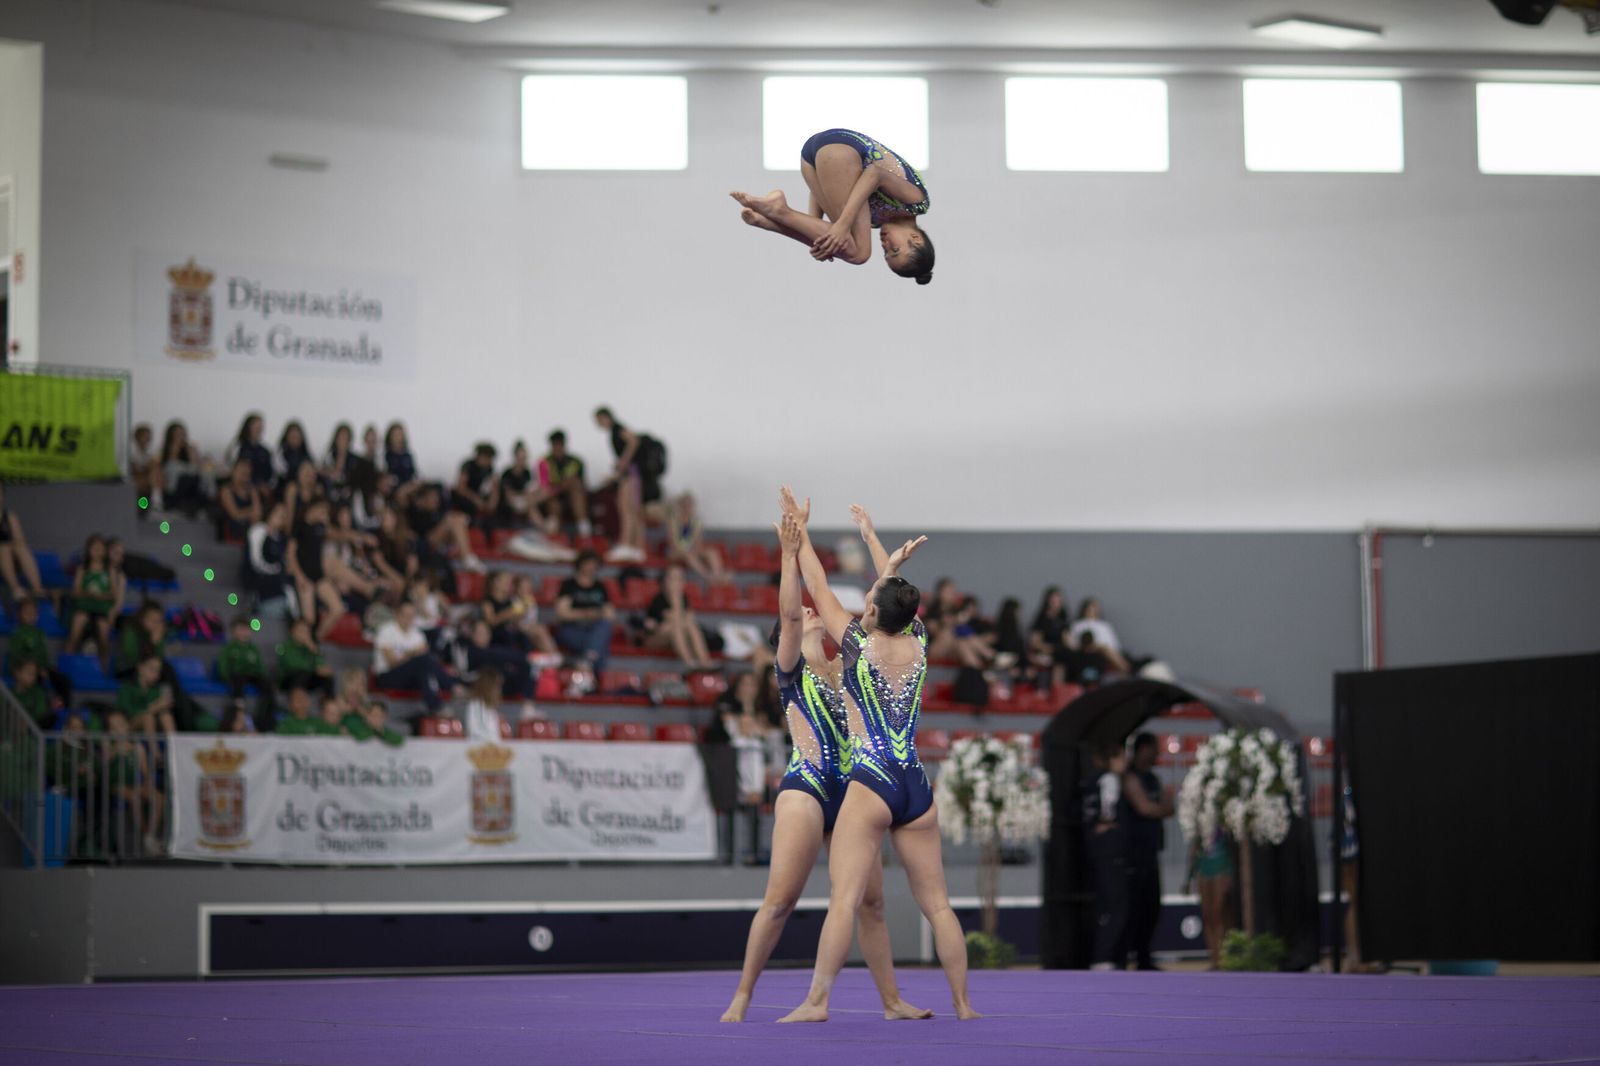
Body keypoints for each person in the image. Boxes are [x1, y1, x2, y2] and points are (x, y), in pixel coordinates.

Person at [775, 488, 978, 1023]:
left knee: (845, 899)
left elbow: (816, 583)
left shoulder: (857, 647)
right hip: (916, 781)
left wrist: (799, 535)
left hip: (872, 779)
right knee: (938, 906)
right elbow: (889, 598)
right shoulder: (920, 641)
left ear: (872, 611)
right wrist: (875, 543)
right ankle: (962, 1003)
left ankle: (817, 1001)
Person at [721, 507, 930, 1024]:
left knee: (872, 904)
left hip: (860, 789)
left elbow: (883, 612)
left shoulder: (857, 661)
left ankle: (891, 1001)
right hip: (809, 786)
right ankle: (742, 996)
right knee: (780, 901)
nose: (815, 614)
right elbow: (793, 613)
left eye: (821, 614)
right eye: (805, 617)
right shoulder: (791, 667)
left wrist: (887, 564)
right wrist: (790, 555)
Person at [731, 128, 933, 284]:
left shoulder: (876, 219)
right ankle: (778, 213)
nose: (885, 246)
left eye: (886, 253)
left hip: (811, 156)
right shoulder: (916, 202)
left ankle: (772, 219)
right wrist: (842, 225)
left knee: (841, 242)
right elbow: (874, 174)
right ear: (915, 238)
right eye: (895, 249)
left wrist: (815, 230)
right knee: (859, 253)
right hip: (843, 149)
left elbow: (825, 189)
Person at [1124, 732, 1175, 971]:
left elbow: (1168, 806)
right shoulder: (1131, 777)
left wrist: (1159, 808)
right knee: (1133, 906)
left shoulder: (1152, 778)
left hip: (1152, 850)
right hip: (1133, 853)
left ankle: (1144, 956)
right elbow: (1145, 808)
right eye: (1155, 748)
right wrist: (1159, 808)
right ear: (1143, 748)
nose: (1158, 753)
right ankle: (1127, 956)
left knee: (1151, 906)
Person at [1086, 743, 1134, 970]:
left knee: (1109, 904)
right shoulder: (1110, 780)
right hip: (1110, 850)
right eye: (1122, 756)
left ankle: (1105, 956)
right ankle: (1103, 957)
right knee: (1116, 905)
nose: (1126, 761)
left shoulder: (1102, 779)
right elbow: (1106, 809)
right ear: (1113, 759)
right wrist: (1107, 823)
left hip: (1102, 850)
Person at [592, 407, 660, 563]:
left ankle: (626, 544)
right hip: (631, 473)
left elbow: (633, 441)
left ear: (605, 417)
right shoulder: (614, 431)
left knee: (625, 508)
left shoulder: (618, 428)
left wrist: (622, 463)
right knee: (633, 510)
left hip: (630, 473)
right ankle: (637, 546)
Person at [372, 599, 455, 711]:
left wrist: (412, 656)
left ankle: (436, 706)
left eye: (411, 616)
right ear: (397, 614)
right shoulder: (386, 631)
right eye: (405, 615)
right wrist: (412, 654)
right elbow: (391, 662)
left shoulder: (417, 635)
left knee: (423, 670)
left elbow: (426, 665)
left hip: (410, 678)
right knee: (422, 661)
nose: (408, 619)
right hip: (387, 677)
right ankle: (451, 686)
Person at [286, 497, 345, 641]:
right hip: (304, 575)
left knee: (338, 609)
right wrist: (299, 576)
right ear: (313, 507)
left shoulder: (320, 527)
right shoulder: (299, 524)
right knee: (309, 619)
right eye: (322, 509)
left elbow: (337, 536)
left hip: (318, 576)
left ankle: (316, 639)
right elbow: (290, 553)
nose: (324, 513)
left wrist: (327, 523)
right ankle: (303, 644)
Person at [640, 563, 715, 670]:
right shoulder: (658, 600)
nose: (676, 583)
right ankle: (689, 664)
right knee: (675, 628)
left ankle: (704, 662)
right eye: (673, 578)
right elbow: (673, 619)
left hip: (675, 638)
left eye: (679, 579)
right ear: (664, 581)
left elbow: (689, 619)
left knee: (692, 627)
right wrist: (675, 599)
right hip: (654, 639)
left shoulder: (684, 598)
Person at [65, 534, 124, 671]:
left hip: (101, 609)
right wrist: (89, 594)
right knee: (74, 635)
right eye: (94, 548)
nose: (97, 552)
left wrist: (100, 596)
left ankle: (104, 671)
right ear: (88, 550)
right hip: (83, 607)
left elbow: (113, 594)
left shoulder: (109, 570)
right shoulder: (82, 568)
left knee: (104, 640)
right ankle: (66, 667)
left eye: (100, 549)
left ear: (104, 551)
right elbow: (75, 591)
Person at [553, 549, 615, 679]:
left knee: (604, 626)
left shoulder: (599, 586)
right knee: (601, 649)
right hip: (572, 629)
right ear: (580, 564)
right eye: (588, 563)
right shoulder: (569, 585)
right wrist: (586, 614)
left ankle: (587, 661)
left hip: (593, 628)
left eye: (594, 564)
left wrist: (596, 615)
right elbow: (562, 613)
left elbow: (610, 614)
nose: (591, 567)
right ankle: (594, 678)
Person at [1188, 824, 1234, 970]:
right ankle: (1214, 959)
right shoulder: (1198, 812)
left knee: (1219, 912)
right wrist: (1189, 876)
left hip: (1221, 865)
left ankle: (1225, 958)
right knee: (1208, 915)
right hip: (1204, 865)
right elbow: (1194, 845)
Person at [217, 615, 275, 730]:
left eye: (246, 629)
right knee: (238, 680)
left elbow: (260, 667)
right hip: (237, 677)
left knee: (268, 686)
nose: (244, 632)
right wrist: (225, 677)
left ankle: (264, 717)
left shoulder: (253, 648)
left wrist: (262, 676)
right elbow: (223, 667)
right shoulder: (229, 648)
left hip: (253, 676)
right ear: (234, 632)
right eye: (240, 629)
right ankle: (240, 712)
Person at [667, 493, 731, 585]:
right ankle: (706, 575)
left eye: (690, 506)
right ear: (681, 506)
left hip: (690, 550)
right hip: (675, 551)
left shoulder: (696, 522)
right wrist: (686, 550)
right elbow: (672, 543)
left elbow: (698, 542)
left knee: (711, 552)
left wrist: (695, 550)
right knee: (687, 555)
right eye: (685, 506)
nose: (688, 508)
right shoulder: (673, 521)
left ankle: (717, 574)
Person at [537, 430, 590, 538]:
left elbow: (580, 483)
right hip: (553, 497)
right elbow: (544, 485)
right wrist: (560, 487)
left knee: (576, 487)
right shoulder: (544, 462)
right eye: (554, 445)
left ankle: (584, 530)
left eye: (559, 444)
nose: (557, 448)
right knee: (553, 503)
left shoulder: (576, 461)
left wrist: (567, 484)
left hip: (573, 496)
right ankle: (553, 533)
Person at [0, 484, 46, 602]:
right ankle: (16, 588)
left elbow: (20, 540)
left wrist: (11, 544)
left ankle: (37, 589)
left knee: (21, 547)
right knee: (4, 548)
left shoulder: (10, 517)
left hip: (12, 559)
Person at [243, 502, 292, 612]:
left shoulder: (280, 537)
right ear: (270, 513)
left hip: (277, 579)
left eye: (284, 515)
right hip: (258, 578)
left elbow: (285, 561)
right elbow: (256, 562)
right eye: (279, 513)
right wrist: (277, 569)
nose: (282, 517)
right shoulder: (258, 530)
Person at [159, 420, 210, 515]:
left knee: (200, 478)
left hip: (190, 482)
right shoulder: (165, 450)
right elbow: (170, 467)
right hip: (174, 486)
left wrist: (192, 453)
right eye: (177, 434)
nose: (180, 437)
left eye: (182, 434)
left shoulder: (188, 449)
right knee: (185, 478)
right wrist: (175, 447)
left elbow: (194, 468)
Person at [276, 617, 334, 695]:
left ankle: (329, 704)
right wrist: (315, 668)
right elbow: (293, 665)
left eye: (306, 631)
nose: (304, 634)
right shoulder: (283, 646)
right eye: (301, 630)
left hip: (306, 678)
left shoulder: (309, 647)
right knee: (302, 674)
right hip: (288, 679)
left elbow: (323, 667)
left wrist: (313, 649)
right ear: (292, 631)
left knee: (327, 678)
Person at [453, 442, 501, 528]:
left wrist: (493, 502)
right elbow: (461, 487)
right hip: (467, 496)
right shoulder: (468, 465)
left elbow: (494, 487)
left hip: (480, 496)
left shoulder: (489, 469)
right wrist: (475, 499)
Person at [217, 458, 264, 542]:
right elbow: (235, 514)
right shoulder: (226, 490)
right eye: (241, 471)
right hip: (234, 527)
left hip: (251, 525)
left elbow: (258, 513)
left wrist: (254, 493)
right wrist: (250, 512)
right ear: (234, 471)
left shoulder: (252, 490)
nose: (244, 475)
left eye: (246, 472)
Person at [224, 413, 276, 488]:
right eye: (256, 426)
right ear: (248, 427)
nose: (259, 429)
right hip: (242, 487)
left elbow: (271, 473)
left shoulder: (265, 451)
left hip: (262, 487)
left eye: (260, 426)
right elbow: (229, 466)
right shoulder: (238, 446)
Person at [461, 667, 508, 743]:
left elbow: (495, 734)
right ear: (488, 687)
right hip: (480, 749)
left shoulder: (491, 709)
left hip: (493, 748)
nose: (499, 691)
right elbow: (473, 732)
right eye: (497, 687)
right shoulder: (475, 705)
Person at [129, 423, 165, 511]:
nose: (147, 439)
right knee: (154, 471)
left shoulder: (150, 452)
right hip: (135, 479)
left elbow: (155, 465)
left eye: (149, 437)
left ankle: (156, 500)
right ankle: (156, 500)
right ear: (137, 437)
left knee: (156, 471)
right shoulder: (131, 451)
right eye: (145, 436)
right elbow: (134, 469)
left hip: (147, 478)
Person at [276, 420, 312, 487]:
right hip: (286, 485)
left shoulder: (306, 455)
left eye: (297, 435)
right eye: (292, 435)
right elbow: (282, 473)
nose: (295, 436)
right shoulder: (281, 454)